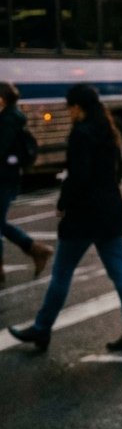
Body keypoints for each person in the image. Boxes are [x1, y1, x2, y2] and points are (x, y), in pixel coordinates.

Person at [8, 84, 122, 352]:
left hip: (84, 215)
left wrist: (64, 203)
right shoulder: (110, 131)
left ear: (77, 107)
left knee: (62, 273)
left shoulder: (81, 134)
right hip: (109, 211)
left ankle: (42, 328)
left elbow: (78, 177)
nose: (68, 112)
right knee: (120, 271)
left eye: (70, 106)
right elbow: (116, 171)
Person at [0, 82, 53, 283]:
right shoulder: (10, 118)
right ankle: (34, 249)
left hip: (4, 178)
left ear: (1, 99)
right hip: (8, 177)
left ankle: (34, 250)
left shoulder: (7, 121)